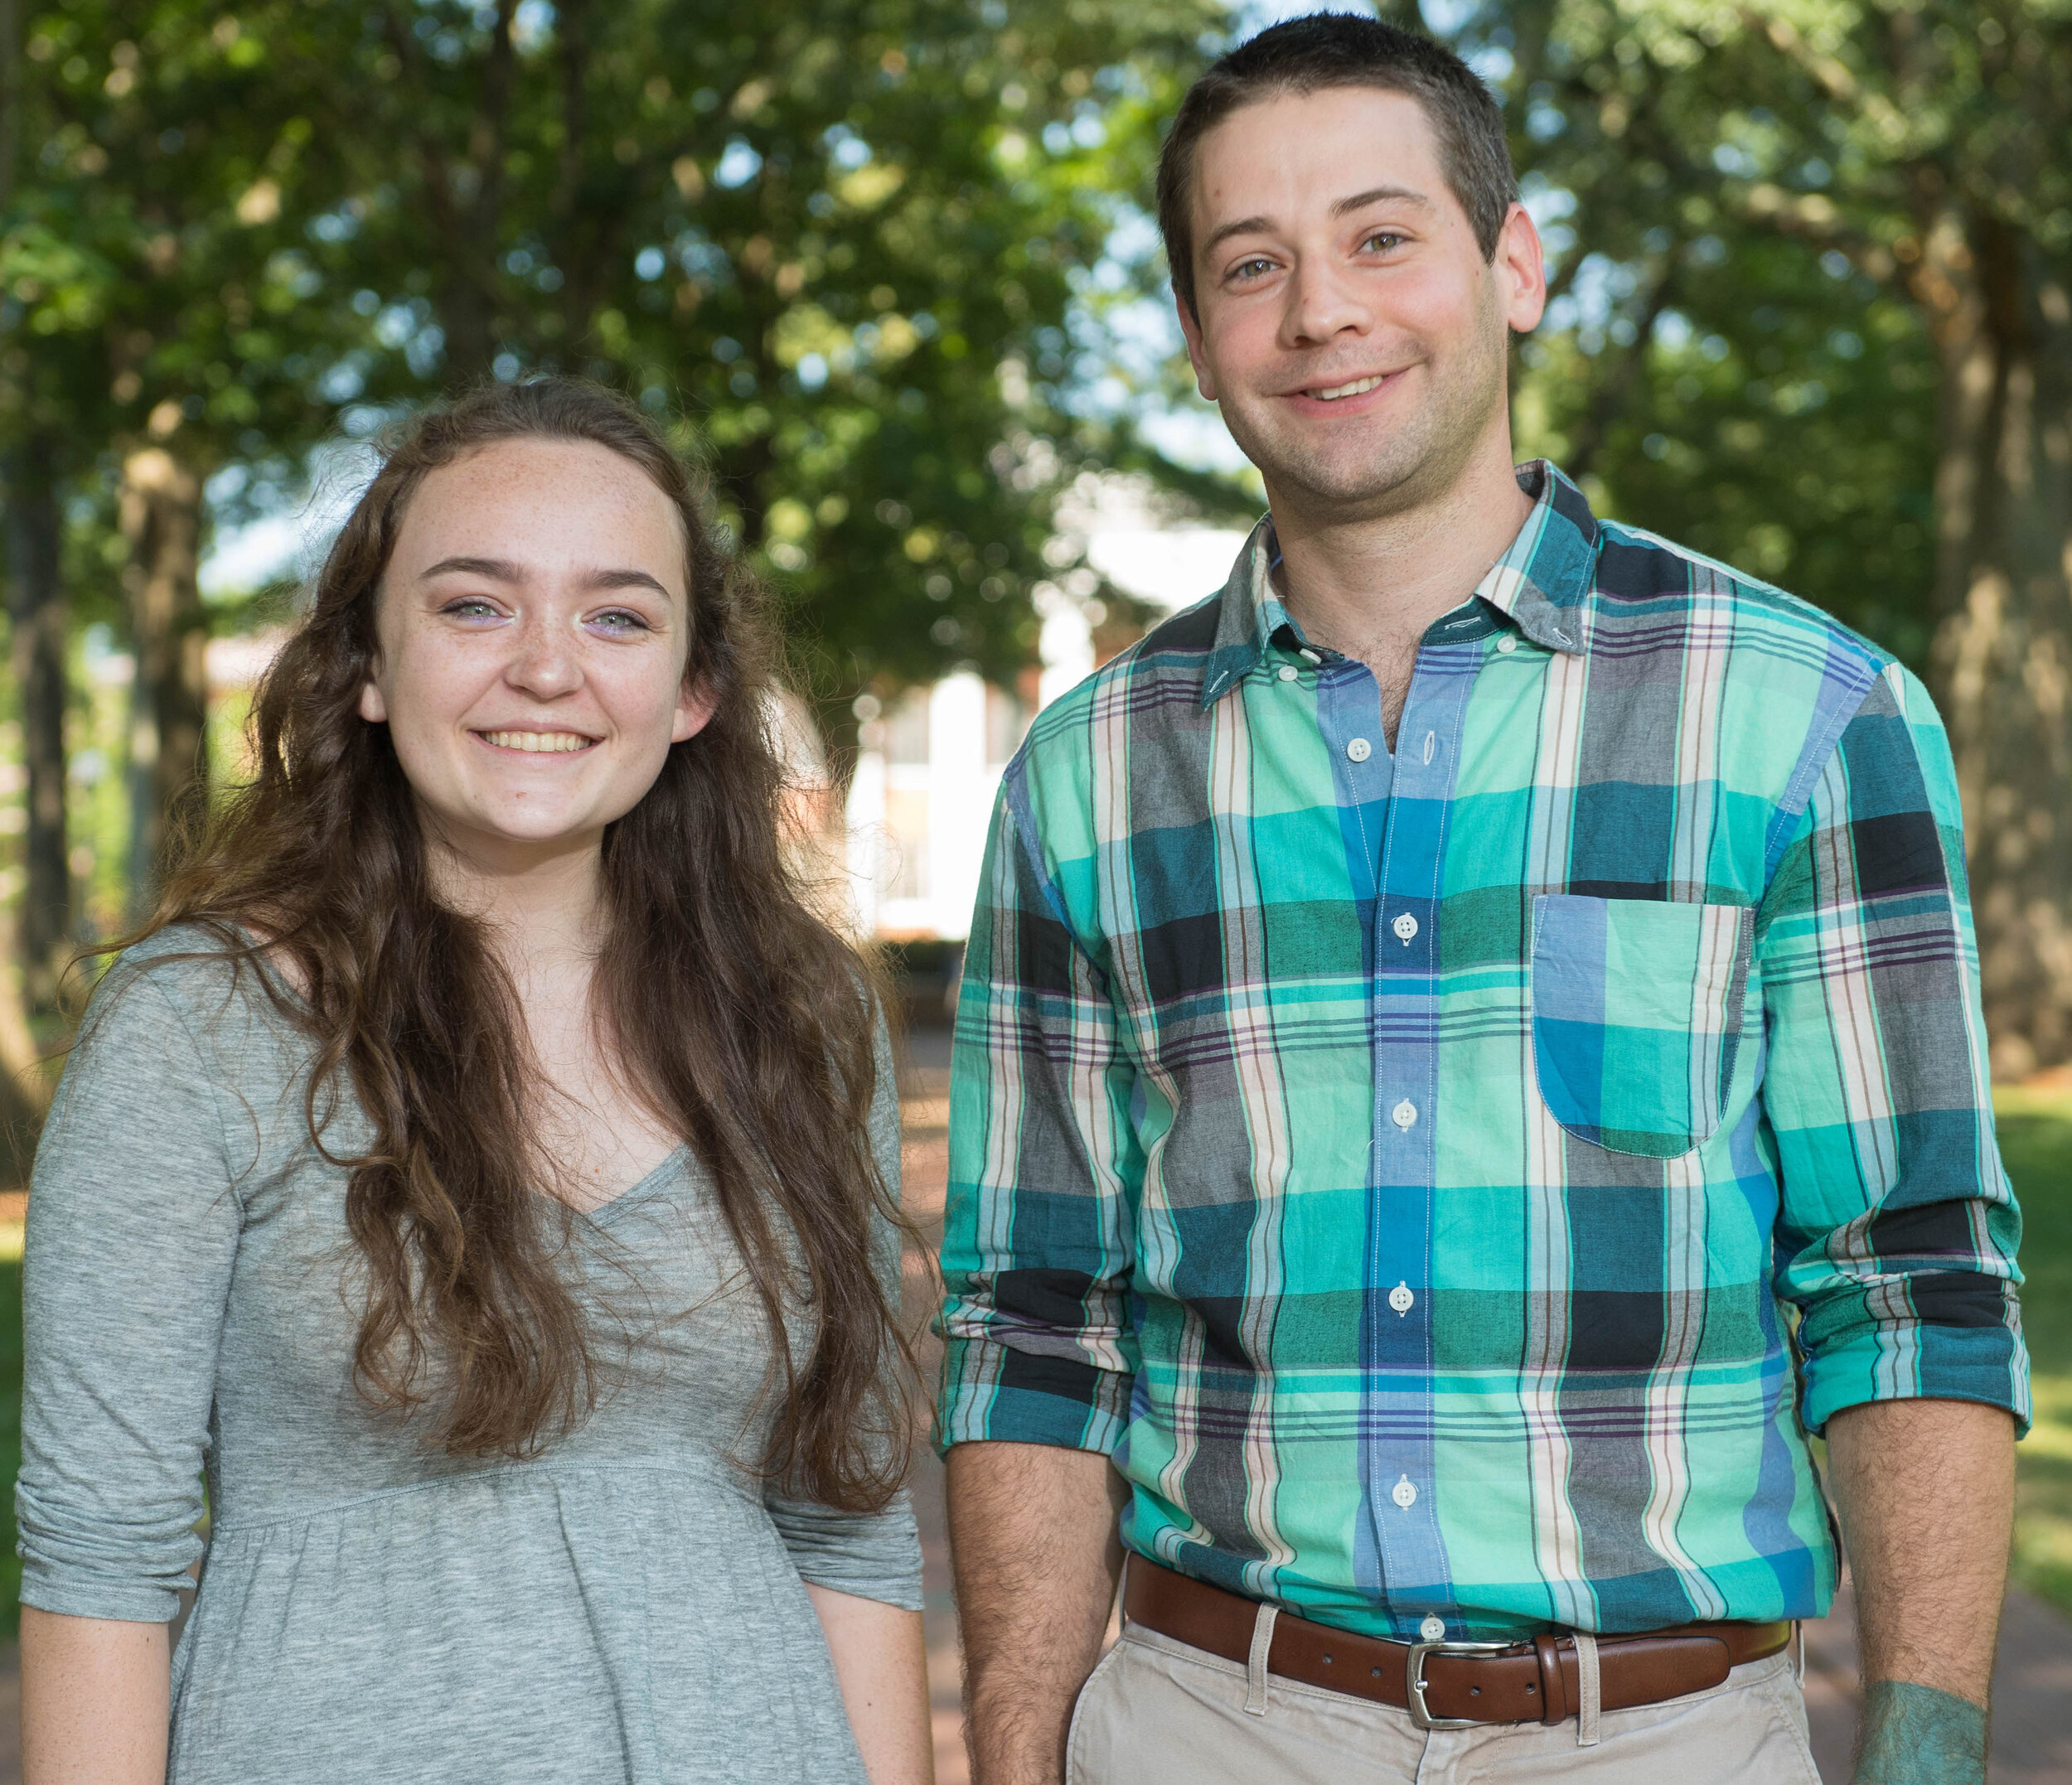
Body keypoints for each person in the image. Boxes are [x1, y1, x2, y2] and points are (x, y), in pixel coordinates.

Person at [936, 16, 2026, 1785]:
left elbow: (1904, 1282)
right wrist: (1012, 1754)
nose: (1320, 312)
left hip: (1661, 1738)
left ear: (1507, 265)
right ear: (1199, 332)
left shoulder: (1804, 717)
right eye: (1250, 264)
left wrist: (1920, 1760)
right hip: (1204, 1723)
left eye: (1380, 236)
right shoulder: (1081, 779)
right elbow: (1030, 1321)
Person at [17, 378, 935, 1785]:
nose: (549, 668)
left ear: (694, 692)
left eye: (617, 615)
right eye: (474, 605)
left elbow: (850, 1526)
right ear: (367, 668)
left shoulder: (804, 1024)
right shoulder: (203, 1021)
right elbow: (99, 1564)